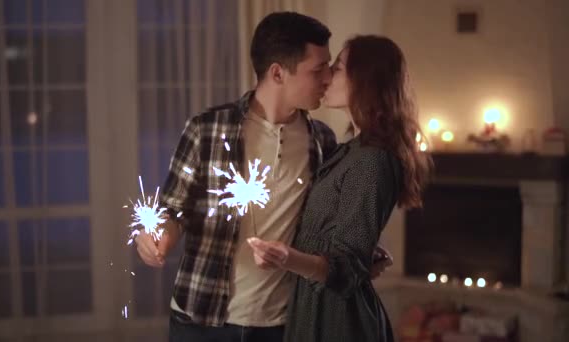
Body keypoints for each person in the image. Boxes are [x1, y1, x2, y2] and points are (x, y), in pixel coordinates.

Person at [134, 12, 393, 342]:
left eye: (330, 67)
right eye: (318, 69)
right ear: (277, 73)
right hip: (200, 319)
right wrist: (157, 235)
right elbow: (171, 209)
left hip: (282, 326)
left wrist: (364, 250)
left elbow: (327, 221)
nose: (328, 77)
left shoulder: (323, 141)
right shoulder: (207, 129)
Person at [247, 35, 432, 342]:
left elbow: (344, 269)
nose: (328, 74)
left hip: (336, 319)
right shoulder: (349, 150)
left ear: (366, 80)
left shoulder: (371, 160)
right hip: (312, 307)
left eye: (338, 67)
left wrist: (287, 258)